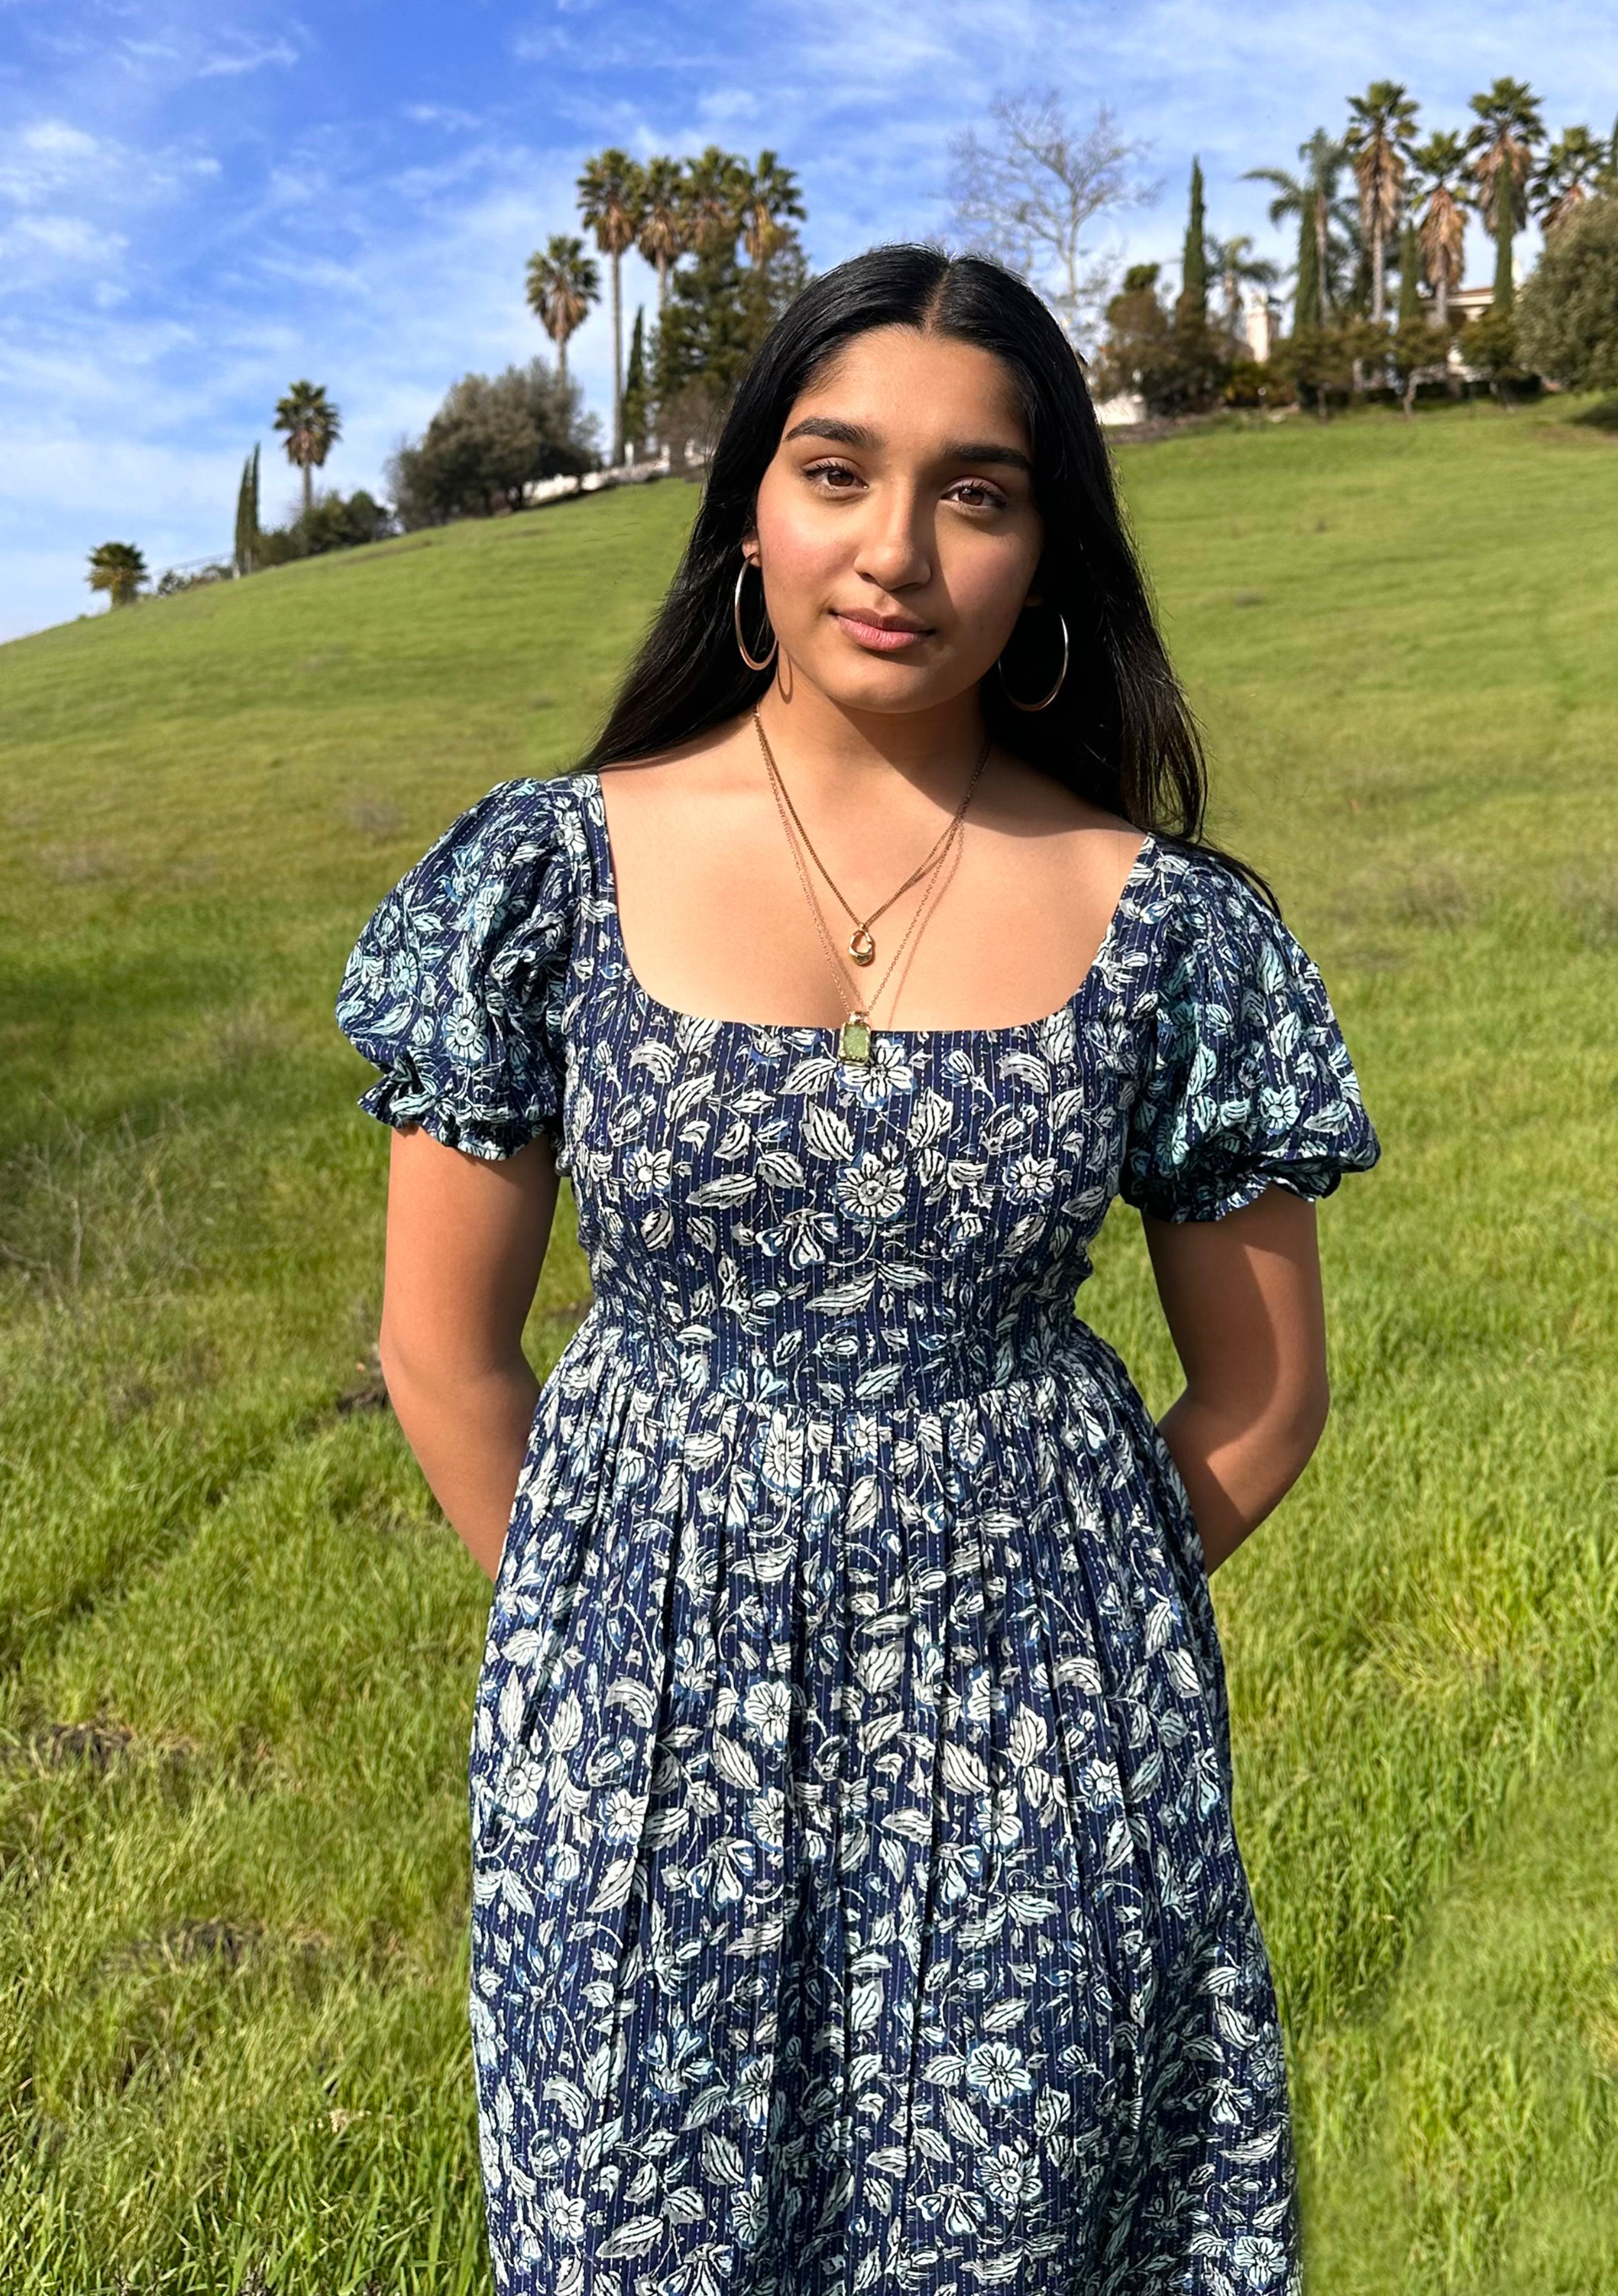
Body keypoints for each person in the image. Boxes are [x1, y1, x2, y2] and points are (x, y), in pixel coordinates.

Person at [335, 244, 1379, 2293]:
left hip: (1042, 1762)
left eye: (976, 493)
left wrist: (1052, 1654)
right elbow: (440, 1353)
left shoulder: (1173, 931)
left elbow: (1263, 1398)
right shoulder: (547, 877)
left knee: (1021, 2237)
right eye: (838, 471)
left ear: (1044, 549)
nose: (896, 549)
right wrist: (616, 1650)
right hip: (634, 1757)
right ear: (750, 510)